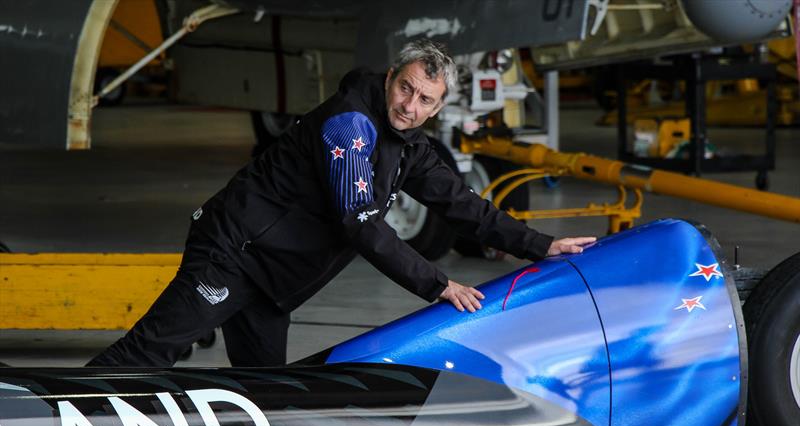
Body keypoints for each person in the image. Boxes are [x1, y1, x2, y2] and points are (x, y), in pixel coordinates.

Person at [87, 39, 595, 368]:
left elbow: (462, 204)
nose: (409, 106)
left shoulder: (407, 143)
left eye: (424, 100)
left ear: (438, 107)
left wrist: (541, 245)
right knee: (148, 354)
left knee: (263, 393)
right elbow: (362, 225)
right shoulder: (349, 126)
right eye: (405, 88)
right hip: (233, 253)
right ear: (391, 76)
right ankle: (49, 422)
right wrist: (437, 284)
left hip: (273, 278)